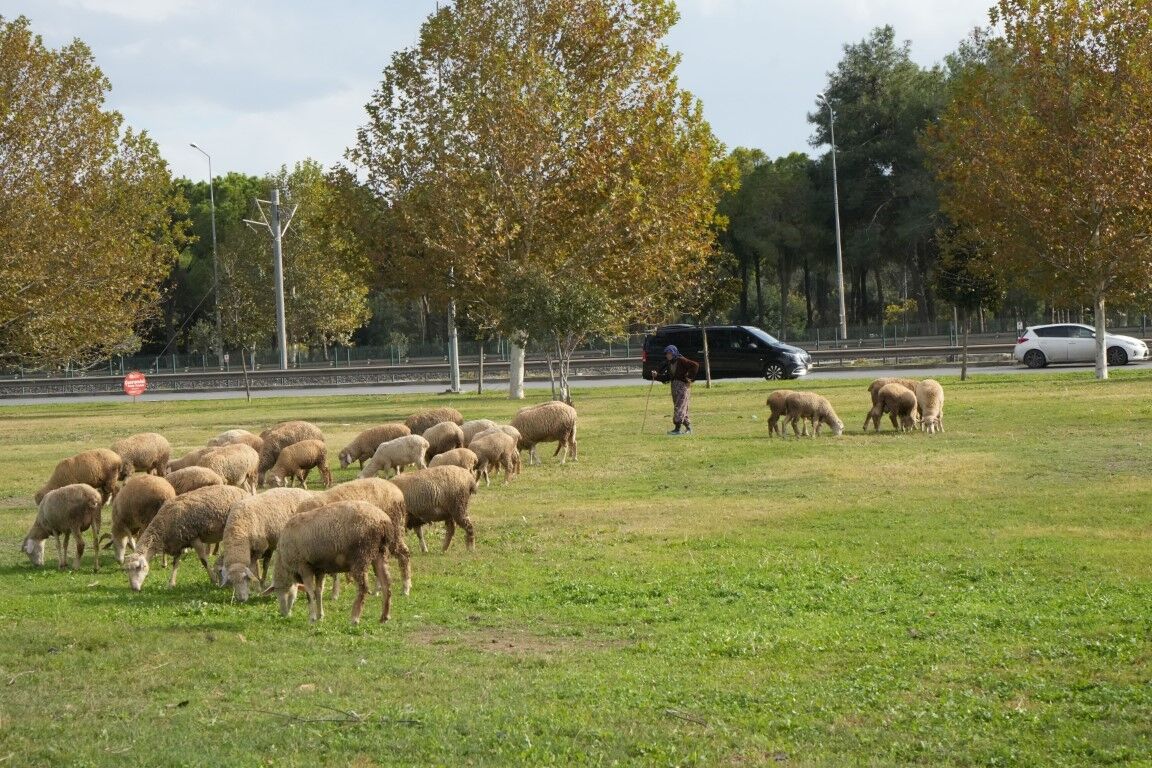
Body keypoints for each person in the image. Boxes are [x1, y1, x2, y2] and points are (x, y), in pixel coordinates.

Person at [650, 344, 699, 435]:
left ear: (674, 353)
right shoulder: (670, 363)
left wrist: (689, 378)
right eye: (667, 354)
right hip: (674, 387)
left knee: (679, 407)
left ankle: (677, 429)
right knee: (681, 407)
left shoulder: (681, 360)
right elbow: (667, 377)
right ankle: (688, 428)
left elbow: (695, 365)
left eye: (670, 353)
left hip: (682, 387)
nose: (668, 355)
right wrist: (656, 376)